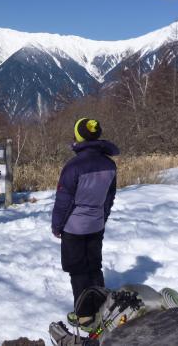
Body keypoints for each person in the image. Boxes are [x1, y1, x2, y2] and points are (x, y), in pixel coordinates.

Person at [51, 118, 119, 327]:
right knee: (94, 266)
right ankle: (102, 307)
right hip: (96, 224)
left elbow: (64, 201)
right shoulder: (109, 164)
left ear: (78, 137)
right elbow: (109, 197)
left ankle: (84, 315)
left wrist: (57, 225)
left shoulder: (74, 166)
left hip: (74, 228)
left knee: (79, 270)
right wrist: (102, 218)